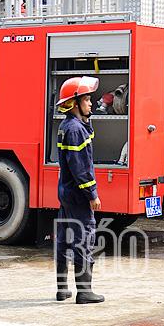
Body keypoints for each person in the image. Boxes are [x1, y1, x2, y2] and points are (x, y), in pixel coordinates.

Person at [53, 76, 105, 304]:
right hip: (78, 196)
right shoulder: (75, 130)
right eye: (86, 99)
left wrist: (87, 120)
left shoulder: (68, 126)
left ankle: (62, 289)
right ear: (75, 103)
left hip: (66, 194)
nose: (91, 103)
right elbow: (81, 167)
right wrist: (92, 194)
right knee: (83, 239)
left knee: (64, 240)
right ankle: (84, 292)